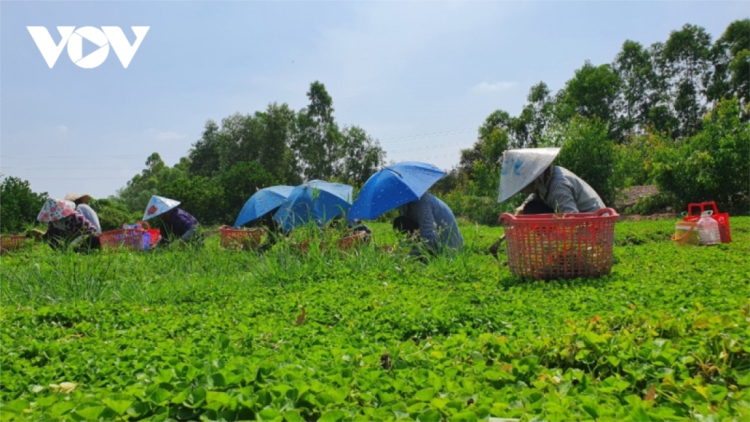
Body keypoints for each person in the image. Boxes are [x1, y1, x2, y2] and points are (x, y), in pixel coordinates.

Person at [489, 147, 606, 258]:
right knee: (530, 207)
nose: (520, 189)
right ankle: (558, 250)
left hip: (595, 234)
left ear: (533, 179)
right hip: (585, 227)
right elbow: (536, 195)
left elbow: (572, 221)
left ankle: (564, 253)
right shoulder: (547, 177)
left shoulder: (558, 187)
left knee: (532, 210)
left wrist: (551, 244)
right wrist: (523, 206)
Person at [393, 193, 463, 257]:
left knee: (401, 223)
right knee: (400, 222)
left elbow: (431, 239)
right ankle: (415, 250)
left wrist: (407, 256)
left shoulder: (420, 203)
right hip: (439, 243)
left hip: (448, 249)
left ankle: (418, 253)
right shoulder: (407, 203)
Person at [34, 198, 100, 251]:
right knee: (51, 239)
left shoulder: (75, 217)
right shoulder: (52, 223)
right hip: (70, 241)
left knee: (92, 239)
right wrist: (38, 236)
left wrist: (74, 243)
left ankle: (75, 251)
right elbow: (50, 235)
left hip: (85, 238)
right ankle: (62, 252)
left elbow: (92, 230)